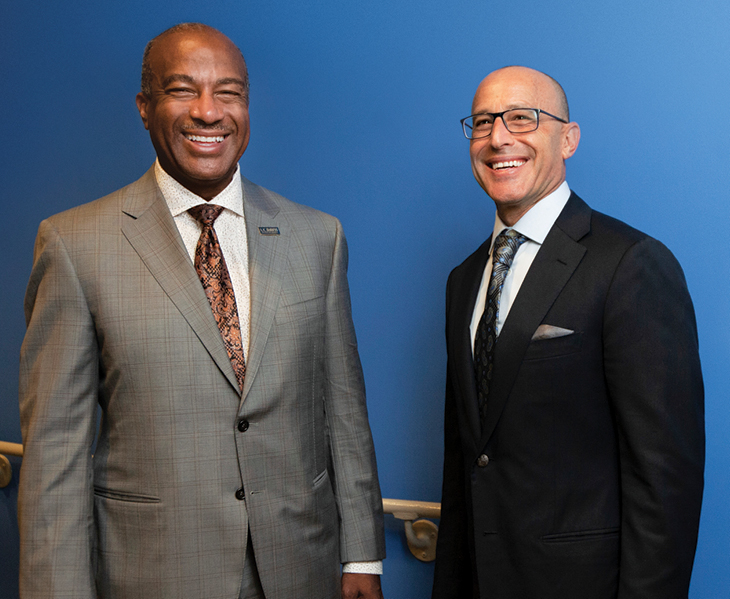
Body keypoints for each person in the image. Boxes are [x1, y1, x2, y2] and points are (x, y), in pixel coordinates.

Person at [18, 23, 385, 599]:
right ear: (145, 107)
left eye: (229, 92)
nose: (208, 112)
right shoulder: (75, 245)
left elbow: (343, 409)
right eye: (183, 90)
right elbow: (55, 453)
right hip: (155, 571)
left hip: (300, 568)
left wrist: (363, 554)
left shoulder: (318, 236)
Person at [431, 66, 704, 599]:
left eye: (521, 118)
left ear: (569, 139)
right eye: (483, 122)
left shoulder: (630, 264)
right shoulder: (463, 280)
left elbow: (664, 479)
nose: (498, 137)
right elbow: (467, 462)